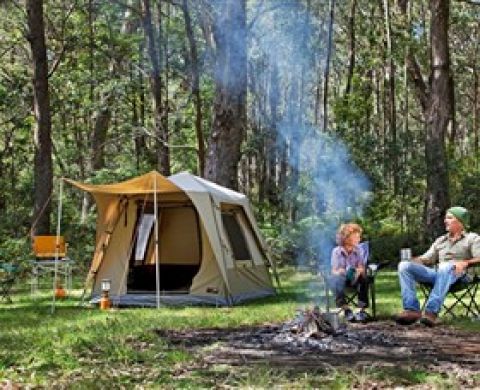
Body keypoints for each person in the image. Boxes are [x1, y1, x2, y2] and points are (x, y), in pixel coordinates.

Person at [395, 206, 480, 327]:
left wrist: (465, 262)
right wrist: (412, 260)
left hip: (461, 276)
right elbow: (426, 259)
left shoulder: (473, 238)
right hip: (440, 274)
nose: (445, 221)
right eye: (445, 218)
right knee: (404, 266)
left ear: (461, 222)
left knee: (445, 266)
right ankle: (412, 310)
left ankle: (431, 312)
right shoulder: (441, 240)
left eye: (449, 218)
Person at [330, 223, 370, 322]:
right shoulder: (336, 251)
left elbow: (361, 267)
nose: (359, 239)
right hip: (342, 280)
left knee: (364, 278)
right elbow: (334, 270)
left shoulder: (359, 250)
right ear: (347, 238)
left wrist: (358, 271)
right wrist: (341, 271)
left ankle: (361, 310)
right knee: (335, 279)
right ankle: (346, 309)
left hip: (355, 279)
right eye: (357, 237)